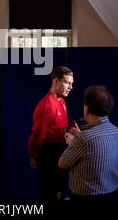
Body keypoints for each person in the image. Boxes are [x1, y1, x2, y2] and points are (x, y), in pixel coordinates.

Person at [58, 85, 118, 201]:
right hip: (113, 193)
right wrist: (79, 138)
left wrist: (72, 142)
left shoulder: (84, 138)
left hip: (86, 197)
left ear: (87, 108)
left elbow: (62, 163)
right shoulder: (117, 131)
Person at [28, 66, 73, 200]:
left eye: (71, 83)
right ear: (55, 82)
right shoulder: (47, 105)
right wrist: (34, 156)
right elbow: (36, 137)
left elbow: (61, 129)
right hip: (50, 155)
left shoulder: (62, 102)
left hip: (62, 151)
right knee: (51, 194)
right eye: (67, 83)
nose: (70, 87)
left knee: (61, 191)